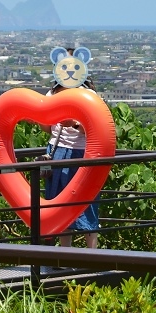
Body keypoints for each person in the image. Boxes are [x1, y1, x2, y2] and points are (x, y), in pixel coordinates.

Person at [44, 80, 100, 249]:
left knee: (85, 202)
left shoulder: (88, 95)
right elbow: (47, 126)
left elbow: (95, 126)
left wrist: (73, 124)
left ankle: (88, 256)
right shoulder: (52, 94)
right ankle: (69, 255)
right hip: (61, 151)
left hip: (81, 152)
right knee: (60, 202)